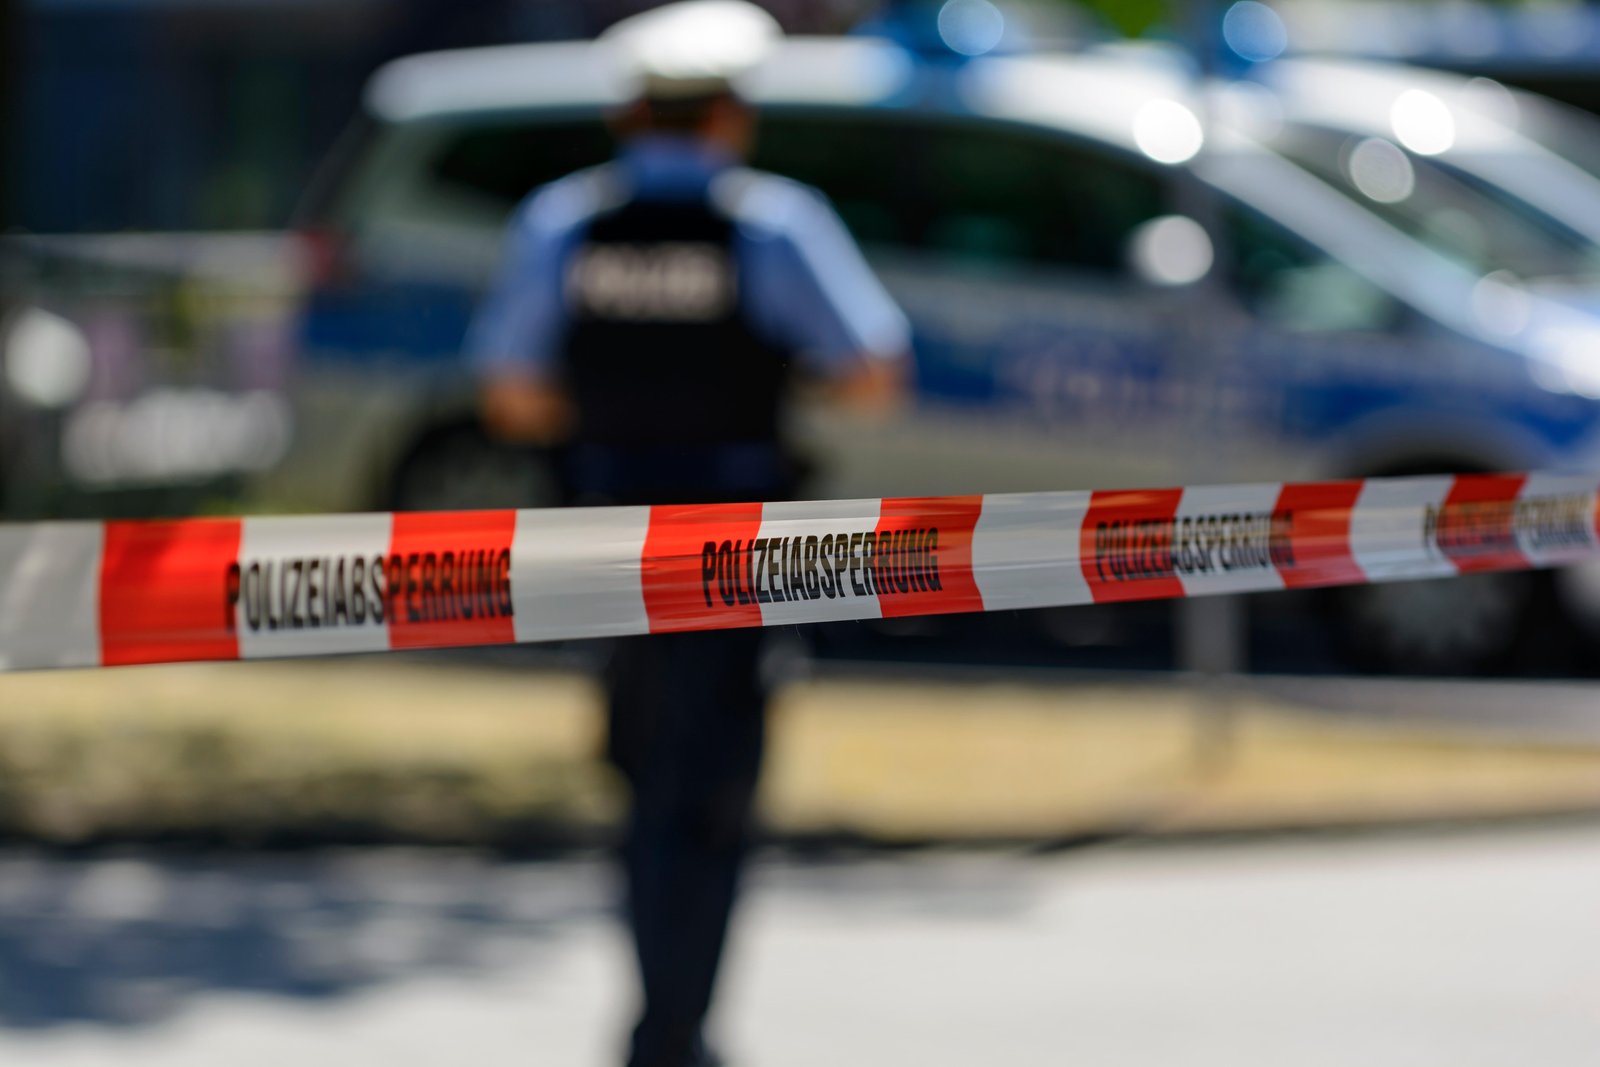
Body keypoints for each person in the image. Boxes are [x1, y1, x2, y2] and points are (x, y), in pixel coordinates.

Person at [465, 4, 912, 1065]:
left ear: (627, 113)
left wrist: (620, 404)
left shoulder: (562, 222)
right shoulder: (773, 225)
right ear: (733, 118)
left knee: (641, 770)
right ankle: (678, 1026)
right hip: (730, 539)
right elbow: (873, 373)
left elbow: (512, 398)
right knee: (710, 784)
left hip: (606, 535)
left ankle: (658, 1016)